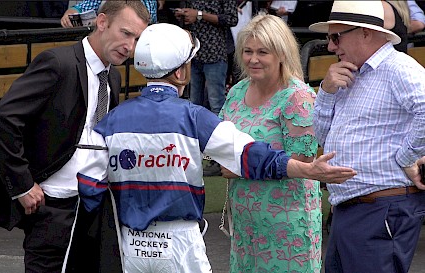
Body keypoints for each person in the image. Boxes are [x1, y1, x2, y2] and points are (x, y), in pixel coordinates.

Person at [74, 22, 356, 273]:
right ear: (183, 71)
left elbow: (89, 185)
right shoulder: (195, 117)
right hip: (181, 243)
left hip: (130, 243)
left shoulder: (110, 121)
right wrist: (305, 168)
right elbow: (249, 156)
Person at [0, 2, 150, 273]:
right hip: (53, 206)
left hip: (94, 206)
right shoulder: (58, 63)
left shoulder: (112, 77)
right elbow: (4, 117)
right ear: (102, 22)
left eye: (137, 39)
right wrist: (23, 185)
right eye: (126, 33)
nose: (130, 46)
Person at [308, 1, 425, 272]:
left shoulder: (398, 68)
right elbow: (323, 139)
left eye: (336, 36)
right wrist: (326, 92)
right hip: (356, 207)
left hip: (380, 207)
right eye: (329, 38)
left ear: (365, 33)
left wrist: (405, 157)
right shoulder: (352, 73)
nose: (331, 46)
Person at [217, 14, 322, 272]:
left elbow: (302, 164)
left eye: (263, 52)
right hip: (245, 220)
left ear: (282, 53)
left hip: (287, 222)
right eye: (247, 51)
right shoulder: (236, 92)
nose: (253, 59)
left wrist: (240, 165)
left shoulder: (297, 97)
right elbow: (219, 152)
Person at [174, 0, 238, 176]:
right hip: (194, 53)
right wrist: (184, 14)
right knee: (194, 106)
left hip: (215, 53)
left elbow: (232, 19)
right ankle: (195, 157)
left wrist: (200, 15)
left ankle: (221, 160)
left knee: (217, 105)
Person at [61, 0, 158, 27]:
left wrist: (104, 21)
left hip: (135, 49)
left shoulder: (148, 1)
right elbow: (79, 8)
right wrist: (69, 15)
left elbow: (144, 22)